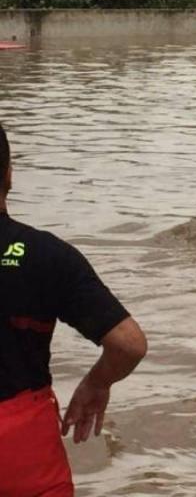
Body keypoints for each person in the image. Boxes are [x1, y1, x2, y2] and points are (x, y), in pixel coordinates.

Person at [0, 122, 148, 496]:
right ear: (8, 175)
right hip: (20, 447)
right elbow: (128, 344)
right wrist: (96, 383)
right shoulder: (46, 255)